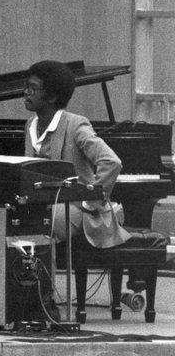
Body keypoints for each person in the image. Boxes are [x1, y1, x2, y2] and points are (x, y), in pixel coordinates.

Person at [23, 60, 129, 248]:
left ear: (52, 96)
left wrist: (91, 202)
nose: (26, 92)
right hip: (43, 203)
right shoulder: (30, 125)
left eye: (33, 88)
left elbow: (111, 162)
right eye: (27, 87)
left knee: (42, 224)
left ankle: (42, 277)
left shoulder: (76, 125)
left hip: (77, 208)